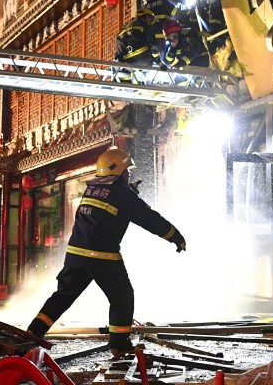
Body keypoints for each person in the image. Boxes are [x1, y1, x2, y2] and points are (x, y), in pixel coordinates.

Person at [27, 147, 186, 357]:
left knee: (62, 297)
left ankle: (31, 335)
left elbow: (105, 212)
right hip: (103, 257)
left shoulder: (92, 188)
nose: (129, 174)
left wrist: (129, 194)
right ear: (119, 171)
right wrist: (175, 236)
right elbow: (150, 219)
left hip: (76, 255)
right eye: (126, 171)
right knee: (122, 298)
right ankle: (119, 344)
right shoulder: (123, 194)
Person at [113, 8, 164, 82]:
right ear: (143, 17)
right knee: (152, 75)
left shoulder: (123, 29)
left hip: (128, 63)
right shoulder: (144, 27)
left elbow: (119, 49)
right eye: (149, 19)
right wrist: (158, 61)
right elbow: (153, 44)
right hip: (144, 59)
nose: (150, 22)